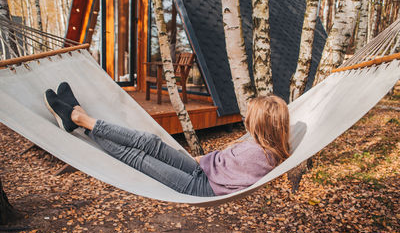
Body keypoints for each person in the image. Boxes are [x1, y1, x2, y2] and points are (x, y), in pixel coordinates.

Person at [44, 82, 290, 197]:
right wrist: (199, 159)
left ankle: (81, 119)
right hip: (202, 169)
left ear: (261, 125)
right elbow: (224, 164)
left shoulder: (261, 155)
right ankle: (81, 118)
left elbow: (230, 178)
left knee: (139, 158)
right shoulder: (264, 144)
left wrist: (201, 162)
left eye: (251, 117)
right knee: (151, 143)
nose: (246, 119)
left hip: (201, 186)